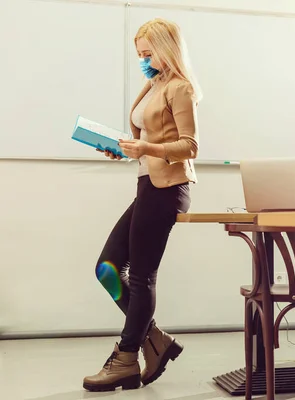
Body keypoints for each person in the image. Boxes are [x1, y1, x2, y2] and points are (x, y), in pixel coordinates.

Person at [83, 18, 201, 392]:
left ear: (167, 49)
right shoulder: (153, 85)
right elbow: (146, 138)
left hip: (168, 188)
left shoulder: (180, 88)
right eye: (140, 55)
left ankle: (126, 357)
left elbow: (190, 146)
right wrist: (123, 151)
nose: (144, 60)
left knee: (140, 275)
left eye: (149, 53)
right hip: (147, 184)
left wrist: (146, 148)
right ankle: (155, 340)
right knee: (108, 268)